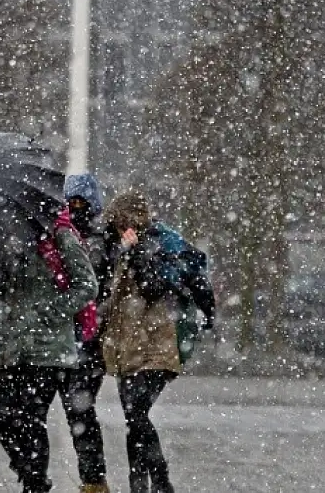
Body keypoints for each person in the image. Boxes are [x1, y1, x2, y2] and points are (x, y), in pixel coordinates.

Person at [99, 190, 215, 493]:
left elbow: (154, 287)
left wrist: (136, 254)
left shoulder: (159, 244)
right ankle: (140, 485)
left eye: (120, 223)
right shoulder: (117, 248)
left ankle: (160, 482)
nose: (117, 230)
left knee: (137, 414)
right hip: (127, 346)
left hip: (159, 345)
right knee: (133, 419)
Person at [0, 196, 99, 493]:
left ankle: (35, 483)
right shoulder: (9, 238)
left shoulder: (60, 235)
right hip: (12, 344)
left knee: (31, 419)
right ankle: (32, 476)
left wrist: (53, 312)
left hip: (47, 348)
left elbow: (87, 285)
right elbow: (5, 291)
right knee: (1, 417)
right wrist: (1, 268)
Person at [61, 174, 110, 493]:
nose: (76, 208)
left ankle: (93, 479)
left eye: (81, 202)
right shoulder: (65, 236)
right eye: (71, 202)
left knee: (79, 409)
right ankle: (92, 478)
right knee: (77, 409)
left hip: (88, 337)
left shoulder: (101, 240)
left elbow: (97, 286)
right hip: (69, 336)